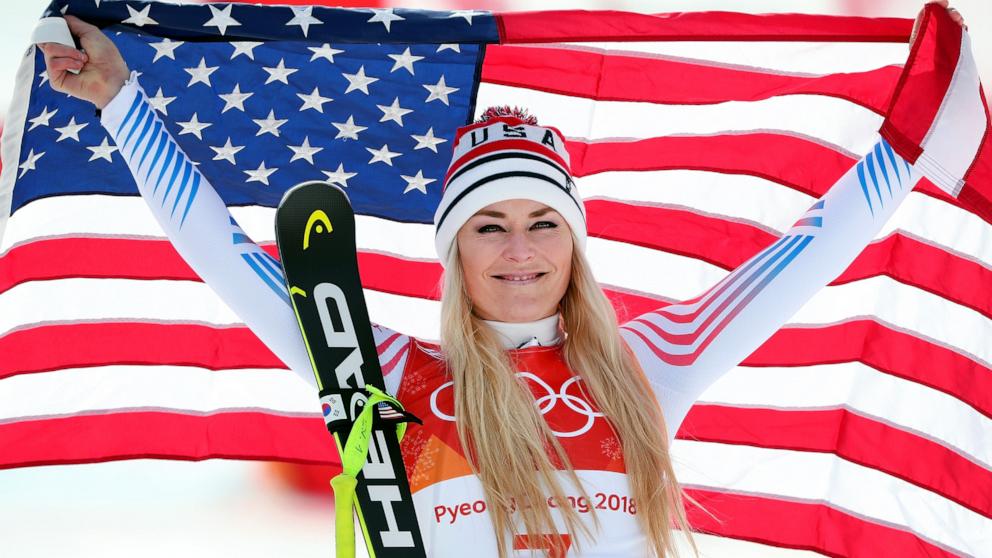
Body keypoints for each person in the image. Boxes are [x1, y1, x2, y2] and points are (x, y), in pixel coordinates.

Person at [38, 2, 968, 557]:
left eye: (541, 224)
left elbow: (799, 258)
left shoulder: (650, 365)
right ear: (456, 253)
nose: (519, 248)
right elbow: (229, 259)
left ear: (573, 244)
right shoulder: (392, 378)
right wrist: (121, 100)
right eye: (489, 226)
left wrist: (907, 143)